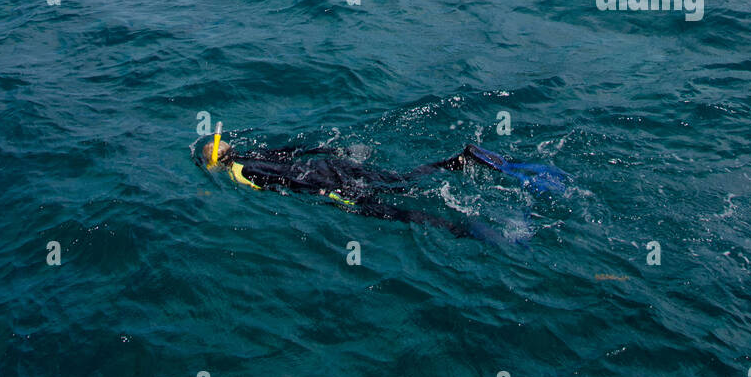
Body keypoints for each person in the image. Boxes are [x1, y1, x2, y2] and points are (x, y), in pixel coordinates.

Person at [192, 127, 565, 241]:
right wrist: (335, 150)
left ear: (214, 165)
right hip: (330, 164)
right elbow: (293, 151)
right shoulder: (256, 154)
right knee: (404, 180)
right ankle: (461, 160)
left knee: (396, 211)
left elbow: (279, 185)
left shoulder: (240, 176)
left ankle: (464, 228)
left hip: (325, 184)